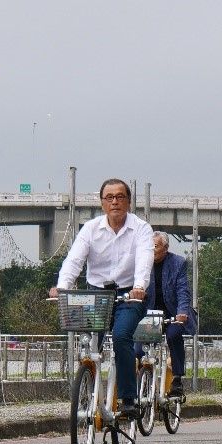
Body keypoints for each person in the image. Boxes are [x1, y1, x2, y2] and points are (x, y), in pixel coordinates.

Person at [51, 178, 154, 419]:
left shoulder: (141, 228)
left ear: (128, 201)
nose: (115, 202)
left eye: (120, 196)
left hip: (130, 295)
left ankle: (128, 399)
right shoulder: (90, 229)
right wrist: (62, 286)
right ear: (102, 203)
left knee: (121, 336)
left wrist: (139, 286)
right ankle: (87, 390)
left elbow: (144, 261)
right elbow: (74, 259)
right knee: (88, 343)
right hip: (96, 293)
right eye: (109, 197)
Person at [146, 232, 194, 397]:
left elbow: (182, 291)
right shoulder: (142, 262)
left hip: (172, 313)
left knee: (173, 336)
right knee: (138, 347)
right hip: (150, 314)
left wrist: (182, 311)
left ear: (166, 248)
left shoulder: (178, 263)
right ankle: (142, 379)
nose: (151, 250)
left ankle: (177, 379)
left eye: (156, 246)